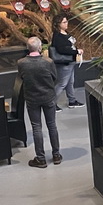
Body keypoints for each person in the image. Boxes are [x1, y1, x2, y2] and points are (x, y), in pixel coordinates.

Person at [17, 37, 61, 168]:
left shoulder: (21, 63)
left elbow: (22, 77)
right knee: (52, 125)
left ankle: (40, 158)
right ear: (40, 47)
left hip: (32, 98)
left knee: (37, 127)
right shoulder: (48, 62)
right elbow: (55, 78)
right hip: (48, 97)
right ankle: (56, 155)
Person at [50, 15, 83, 109]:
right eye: (64, 22)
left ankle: (72, 100)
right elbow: (62, 50)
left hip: (70, 61)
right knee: (62, 83)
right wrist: (76, 51)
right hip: (64, 63)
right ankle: (52, 103)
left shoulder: (65, 33)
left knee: (70, 82)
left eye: (66, 21)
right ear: (58, 24)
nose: (66, 24)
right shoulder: (58, 36)